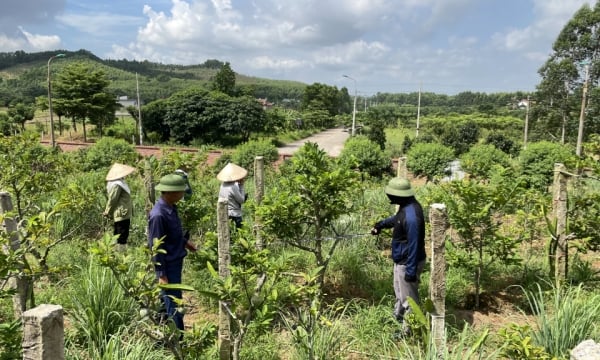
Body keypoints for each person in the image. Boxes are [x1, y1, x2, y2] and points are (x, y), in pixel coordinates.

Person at [370, 177, 426, 336]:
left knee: (410, 300)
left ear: (399, 195)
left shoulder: (412, 216)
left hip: (408, 261)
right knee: (400, 293)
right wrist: (380, 225)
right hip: (401, 260)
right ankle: (398, 317)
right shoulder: (406, 207)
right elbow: (397, 220)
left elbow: (414, 244)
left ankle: (409, 331)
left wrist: (410, 271)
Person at [148, 173, 197, 333]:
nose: (183, 195)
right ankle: (178, 339)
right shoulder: (158, 215)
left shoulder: (170, 208)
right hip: (168, 265)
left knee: (166, 300)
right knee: (174, 302)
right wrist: (161, 274)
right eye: (180, 192)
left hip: (175, 261)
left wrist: (186, 243)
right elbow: (155, 246)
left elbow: (172, 235)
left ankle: (163, 334)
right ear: (170, 192)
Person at [103, 163, 136, 249]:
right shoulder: (117, 184)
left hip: (123, 212)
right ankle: (120, 255)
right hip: (122, 213)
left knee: (120, 233)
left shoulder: (120, 183)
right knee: (121, 234)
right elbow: (113, 199)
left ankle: (117, 253)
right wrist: (107, 211)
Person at [217, 163, 248, 228]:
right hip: (235, 215)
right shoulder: (233, 186)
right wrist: (241, 185)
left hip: (225, 213)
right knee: (239, 235)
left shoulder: (222, 185)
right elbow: (242, 200)